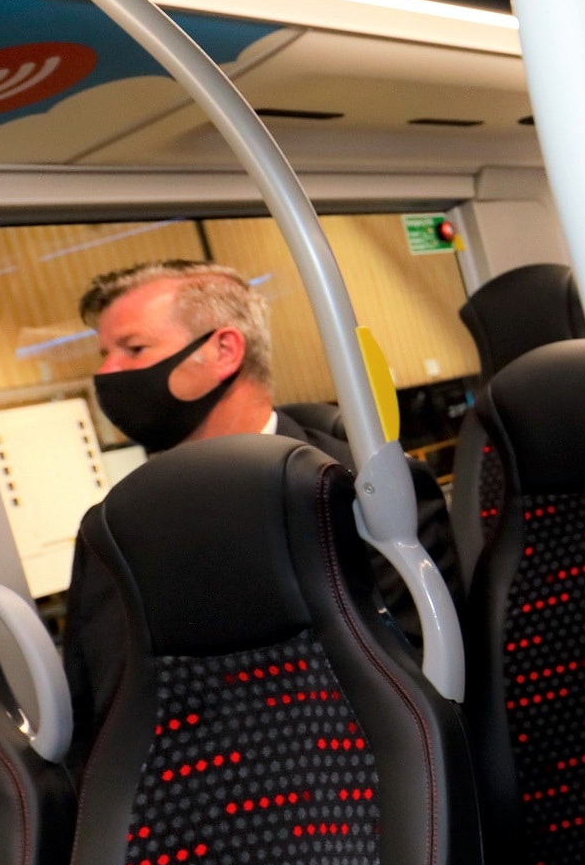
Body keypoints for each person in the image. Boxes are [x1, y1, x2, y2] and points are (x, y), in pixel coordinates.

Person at [71, 259, 457, 642]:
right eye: (104, 354)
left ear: (224, 350)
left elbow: (425, 666)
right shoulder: (117, 526)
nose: (107, 373)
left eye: (134, 348)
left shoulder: (364, 488)